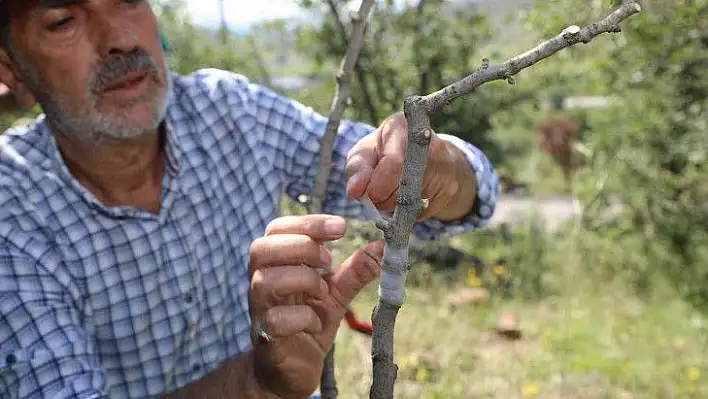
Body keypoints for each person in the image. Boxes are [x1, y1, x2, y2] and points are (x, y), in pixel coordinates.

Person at [0, 1, 499, 398]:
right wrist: (257, 386)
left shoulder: (232, 112)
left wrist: (436, 170)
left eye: (130, 0)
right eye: (62, 19)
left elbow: (455, 200)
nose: (122, 39)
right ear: (13, 72)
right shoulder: (11, 206)